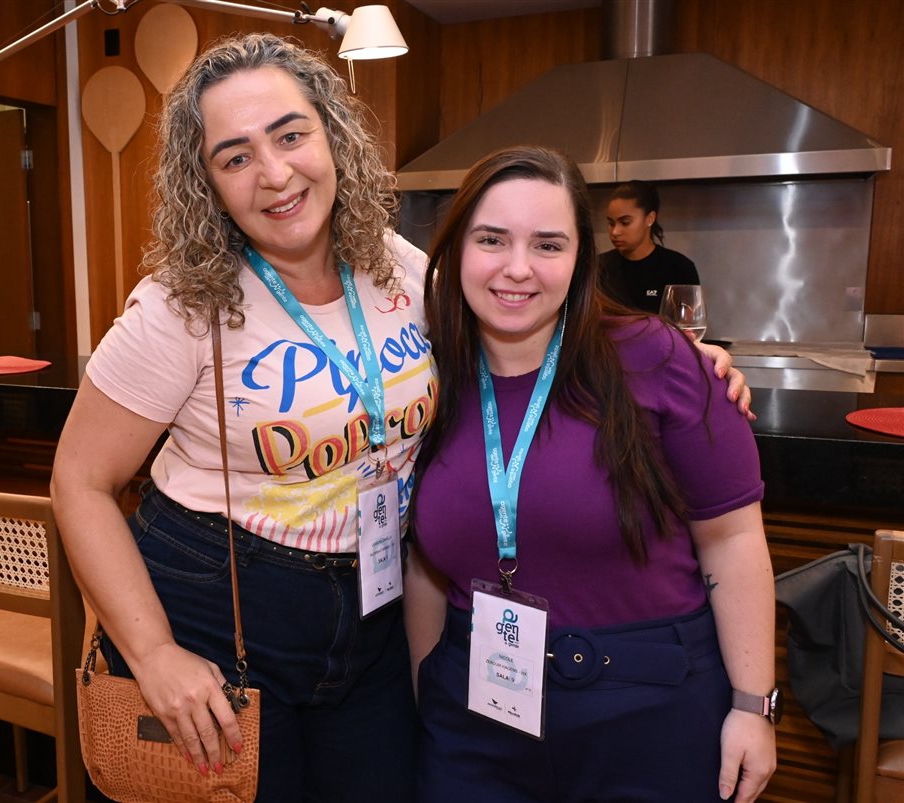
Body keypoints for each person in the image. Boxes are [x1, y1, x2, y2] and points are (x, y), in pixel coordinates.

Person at [51, 33, 433, 802]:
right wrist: (153, 653)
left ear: (333, 135)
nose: (275, 173)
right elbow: (79, 481)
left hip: (374, 606)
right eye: (235, 157)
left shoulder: (396, 262)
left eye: (291, 135)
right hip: (217, 602)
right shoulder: (180, 305)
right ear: (207, 184)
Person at [405, 146, 776, 803]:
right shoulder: (424, 376)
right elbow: (425, 563)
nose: (518, 268)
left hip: (649, 711)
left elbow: (733, 538)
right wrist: (425, 701)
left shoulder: (658, 360)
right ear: (457, 248)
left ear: (581, 259)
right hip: (473, 716)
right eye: (492, 239)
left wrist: (754, 705)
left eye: (548, 245)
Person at [600, 180, 700, 314]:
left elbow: (688, 324)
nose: (615, 232)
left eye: (625, 222)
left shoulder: (679, 269)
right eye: (611, 223)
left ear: (650, 218)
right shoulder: (597, 269)